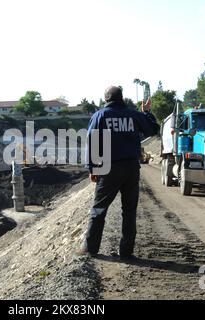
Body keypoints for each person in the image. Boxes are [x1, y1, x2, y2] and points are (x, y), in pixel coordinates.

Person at [80, 86, 160, 260]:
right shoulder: (133, 115)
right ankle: (126, 252)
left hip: (108, 167)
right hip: (131, 168)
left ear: (106, 98)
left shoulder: (100, 116)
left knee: (99, 209)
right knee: (129, 211)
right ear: (122, 98)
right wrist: (146, 112)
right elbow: (153, 130)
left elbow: (93, 141)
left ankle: (90, 249)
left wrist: (92, 168)